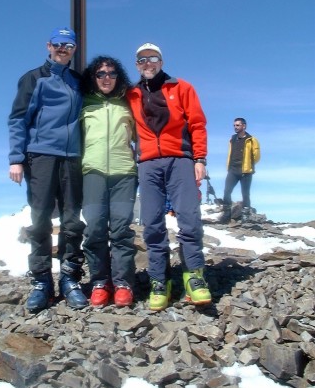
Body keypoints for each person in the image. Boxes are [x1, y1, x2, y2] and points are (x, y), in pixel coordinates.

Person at [127, 43, 211, 311]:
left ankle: (194, 277)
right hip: (148, 163)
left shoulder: (182, 88)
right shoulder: (131, 94)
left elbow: (197, 124)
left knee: (189, 220)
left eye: (152, 58)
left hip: (180, 159)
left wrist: (199, 158)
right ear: (137, 65)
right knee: (152, 224)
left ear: (161, 62)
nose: (147, 63)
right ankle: (160, 281)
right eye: (142, 60)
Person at [8, 27, 87, 312]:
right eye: (58, 44)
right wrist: (16, 158)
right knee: (40, 218)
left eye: (68, 45)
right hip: (40, 155)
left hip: (73, 158)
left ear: (74, 49)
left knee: (72, 220)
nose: (63, 49)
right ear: (48, 46)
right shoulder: (34, 78)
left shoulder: (79, 82)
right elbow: (18, 119)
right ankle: (42, 281)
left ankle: (70, 278)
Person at [81, 56, 137, 308]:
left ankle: (123, 283)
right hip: (92, 171)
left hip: (124, 172)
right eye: (101, 73)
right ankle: (100, 282)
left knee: (121, 229)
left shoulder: (128, 103)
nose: (106, 78)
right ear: (93, 77)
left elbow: (143, 134)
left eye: (112, 74)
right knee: (94, 228)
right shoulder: (85, 103)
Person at [219, 118, 261, 224]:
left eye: (237, 125)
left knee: (245, 194)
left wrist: (249, 165)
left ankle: (245, 216)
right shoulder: (232, 139)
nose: (235, 127)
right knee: (227, 191)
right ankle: (227, 214)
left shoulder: (251, 139)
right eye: (234, 125)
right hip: (233, 170)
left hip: (245, 171)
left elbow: (256, 156)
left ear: (244, 126)